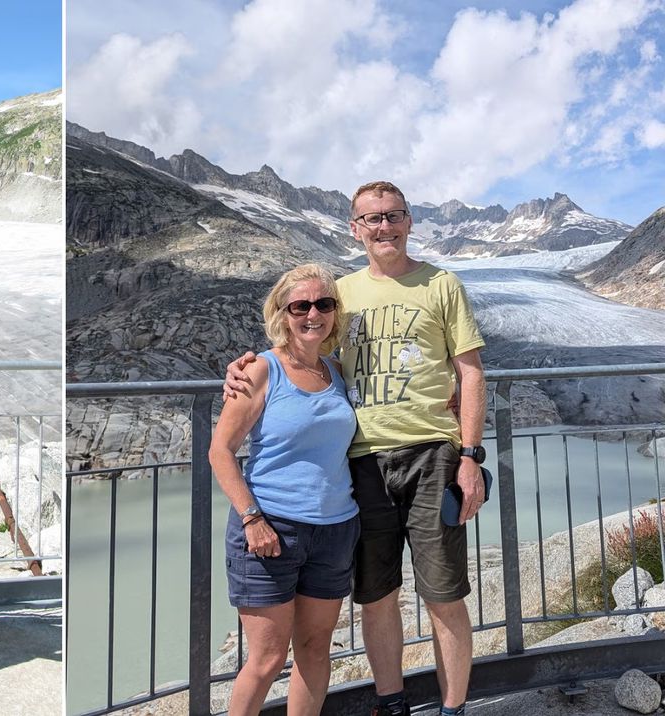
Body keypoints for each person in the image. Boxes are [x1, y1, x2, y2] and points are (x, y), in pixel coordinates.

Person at [225, 181, 487, 716]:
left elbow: (470, 371)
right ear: (356, 228)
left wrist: (470, 455)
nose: (383, 226)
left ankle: (453, 707)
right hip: (362, 462)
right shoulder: (342, 294)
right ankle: (391, 702)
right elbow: (307, 346)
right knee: (376, 592)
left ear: (410, 221)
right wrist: (246, 366)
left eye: (393, 216)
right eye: (372, 219)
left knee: (442, 592)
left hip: (432, 453)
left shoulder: (442, 284)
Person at [209, 263, 359, 716]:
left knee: (315, 651)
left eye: (324, 304)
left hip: (334, 530)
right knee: (267, 659)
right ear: (282, 312)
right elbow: (221, 450)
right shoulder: (259, 370)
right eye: (301, 305)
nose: (313, 313)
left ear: (335, 312)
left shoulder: (336, 371)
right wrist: (252, 519)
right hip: (271, 530)